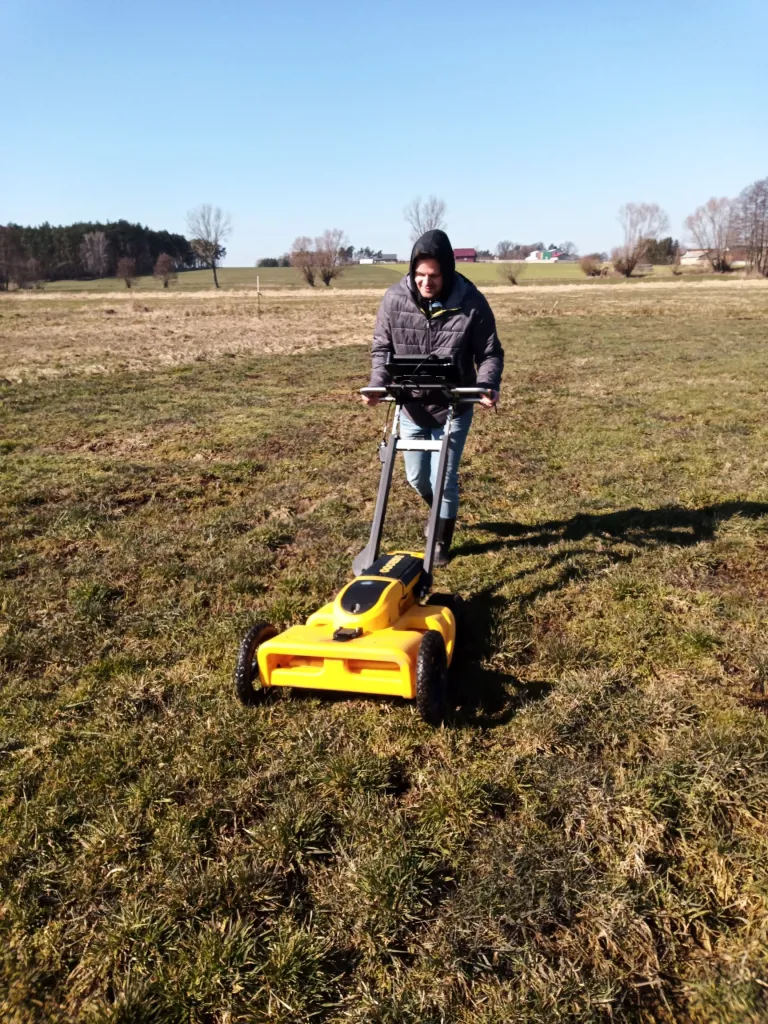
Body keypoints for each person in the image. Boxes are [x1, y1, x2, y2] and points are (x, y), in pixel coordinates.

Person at [362, 229, 504, 566]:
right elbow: (382, 349)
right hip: (410, 406)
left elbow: (489, 353)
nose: (426, 283)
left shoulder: (472, 303)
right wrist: (377, 384)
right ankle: (439, 510)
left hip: (453, 406)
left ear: (448, 272)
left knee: (445, 477)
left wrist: (487, 384)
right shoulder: (394, 299)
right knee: (416, 478)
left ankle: (441, 538)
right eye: (420, 275)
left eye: (434, 276)